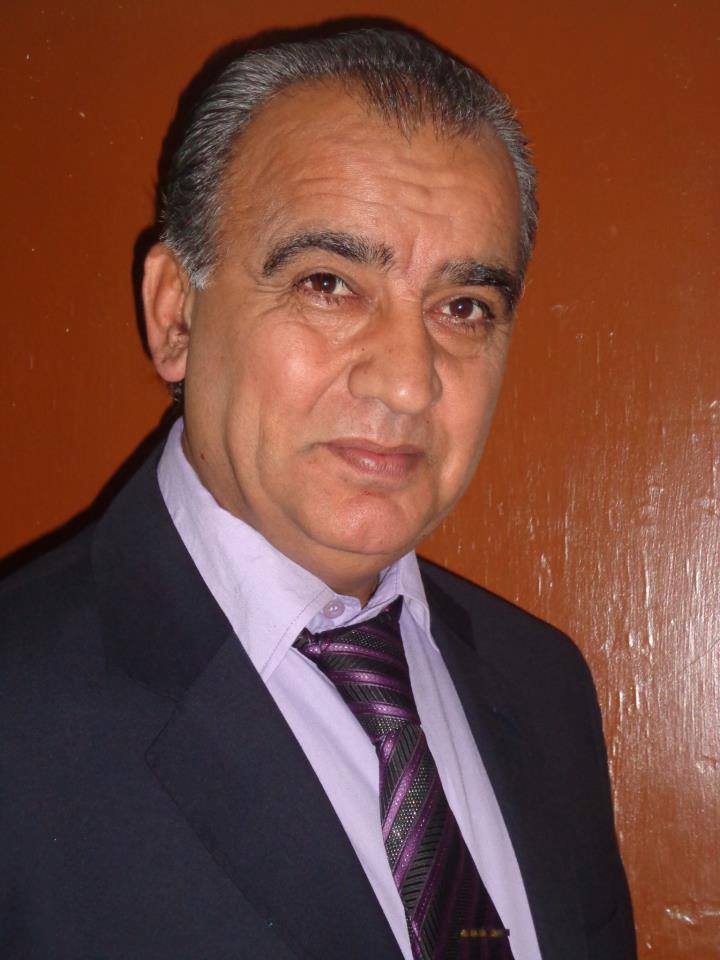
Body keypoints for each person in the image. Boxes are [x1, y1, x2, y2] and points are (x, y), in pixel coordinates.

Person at [0, 27, 636, 960]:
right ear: (175, 315)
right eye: (329, 284)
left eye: (463, 307)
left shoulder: (543, 687)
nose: (408, 383)